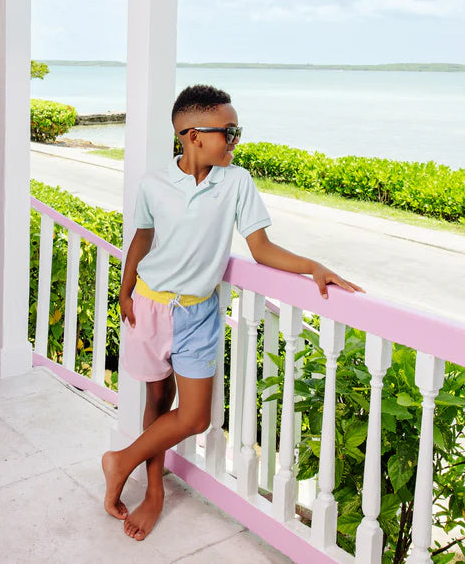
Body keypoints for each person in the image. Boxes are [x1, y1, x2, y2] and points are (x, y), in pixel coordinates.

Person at [102, 84, 363, 541]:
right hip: (149, 306)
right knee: (157, 403)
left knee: (195, 416)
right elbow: (142, 239)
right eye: (229, 131)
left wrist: (314, 267)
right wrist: (125, 291)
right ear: (192, 135)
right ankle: (155, 492)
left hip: (199, 314)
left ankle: (119, 461)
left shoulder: (237, 182)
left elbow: (260, 249)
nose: (236, 140)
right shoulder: (154, 184)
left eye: (236, 131)